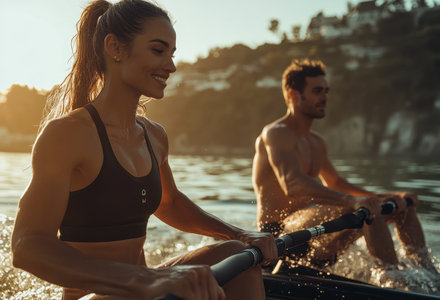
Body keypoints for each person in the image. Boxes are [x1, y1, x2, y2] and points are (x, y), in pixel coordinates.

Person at [10, 1, 277, 299]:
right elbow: (27, 246)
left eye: (172, 54)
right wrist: (144, 280)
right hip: (97, 295)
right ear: (116, 48)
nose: (171, 65)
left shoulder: (155, 135)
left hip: (145, 288)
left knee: (235, 255)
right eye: (158, 50)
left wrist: (240, 233)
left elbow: (170, 202)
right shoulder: (67, 134)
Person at [252, 58, 433, 271]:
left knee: (402, 206)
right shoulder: (276, 133)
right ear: (293, 94)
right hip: (279, 239)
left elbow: (335, 182)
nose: (325, 97)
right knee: (366, 209)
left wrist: (381, 197)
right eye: (317, 91)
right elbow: (292, 185)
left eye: (326, 91)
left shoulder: (316, 142)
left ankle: (427, 276)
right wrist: (355, 201)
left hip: (315, 238)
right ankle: (395, 279)